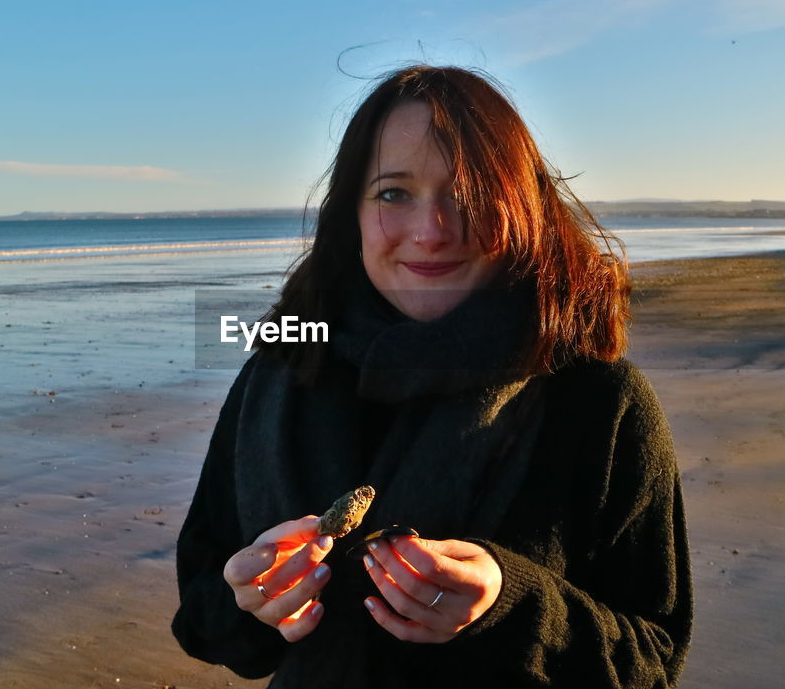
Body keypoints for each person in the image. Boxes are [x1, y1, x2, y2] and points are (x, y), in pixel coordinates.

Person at [171, 65, 691, 687]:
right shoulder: (280, 369)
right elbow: (202, 620)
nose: (432, 231)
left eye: (469, 195)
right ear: (352, 214)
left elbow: (654, 661)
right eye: (394, 193)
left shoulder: (598, 401)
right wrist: (250, 601)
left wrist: (511, 607)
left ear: (521, 207)